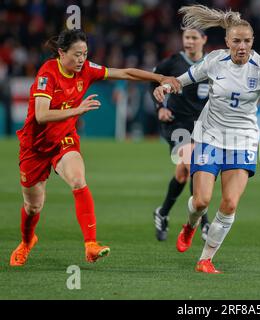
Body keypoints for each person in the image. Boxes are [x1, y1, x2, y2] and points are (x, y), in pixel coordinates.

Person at [153, 5, 260, 274]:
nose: (242, 46)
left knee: (230, 203)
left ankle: (205, 260)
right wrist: (166, 86)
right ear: (227, 42)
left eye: (247, 41)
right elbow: (183, 79)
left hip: (242, 141)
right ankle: (190, 225)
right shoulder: (214, 61)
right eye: (236, 41)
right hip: (209, 136)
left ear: (252, 42)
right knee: (200, 202)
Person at [10, 29, 180, 267]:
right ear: (61, 53)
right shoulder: (47, 74)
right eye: (77, 54)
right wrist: (77, 110)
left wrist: (159, 78)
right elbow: (41, 115)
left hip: (64, 140)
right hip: (34, 146)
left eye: (85, 54)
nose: (81, 60)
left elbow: (125, 72)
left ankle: (91, 245)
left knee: (78, 180)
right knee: (33, 205)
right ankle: (27, 242)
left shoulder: (86, 69)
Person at [149, 28, 211, 242]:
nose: (190, 41)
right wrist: (160, 108)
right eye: (186, 37)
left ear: (204, 40)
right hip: (176, 123)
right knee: (194, 163)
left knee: (183, 173)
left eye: (194, 38)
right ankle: (205, 223)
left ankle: (162, 212)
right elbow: (153, 81)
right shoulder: (173, 62)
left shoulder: (211, 64)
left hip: (203, 126)